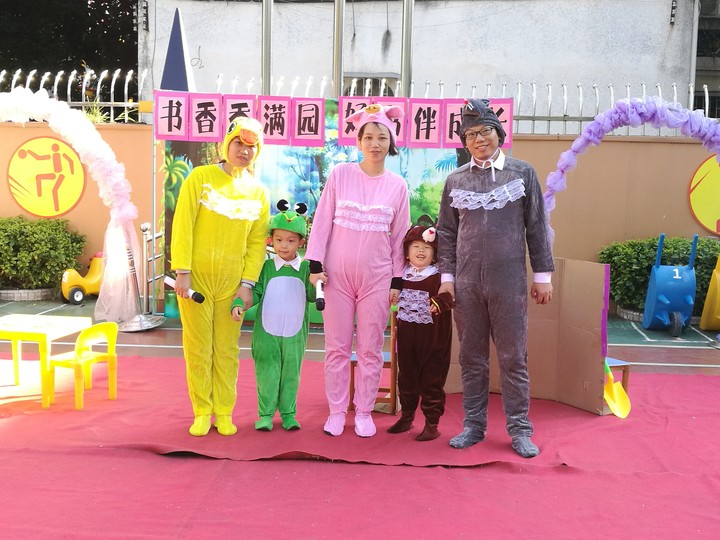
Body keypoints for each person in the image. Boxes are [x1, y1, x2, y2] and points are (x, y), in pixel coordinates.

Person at [436, 98, 554, 458]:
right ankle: (473, 426)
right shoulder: (456, 180)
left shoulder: (521, 174)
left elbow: (537, 226)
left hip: (509, 282)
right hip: (466, 284)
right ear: (464, 141)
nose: (479, 139)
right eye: (471, 134)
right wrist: (447, 278)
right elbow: (446, 233)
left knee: (513, 357)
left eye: (485, 131)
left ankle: (520, 430)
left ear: (499, 133)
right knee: (472, 358)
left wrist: (543, 275)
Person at [305, 103, 410, 438]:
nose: (375, 143)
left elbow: (400, 236)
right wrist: (316, 265)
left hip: (377, 279)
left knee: (370, 348)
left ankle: (364, 410)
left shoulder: (398, 185)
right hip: (336, 276)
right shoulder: (340, 175)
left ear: (391, 142)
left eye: (382, 137)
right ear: (359, 141)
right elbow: (322, 220)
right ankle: (337, 411)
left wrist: (397, 279)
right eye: (368, 137)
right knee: (336, 347)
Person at [171, 117, 270, 437]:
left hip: (232, 285)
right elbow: (183, 224)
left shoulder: (259, 193)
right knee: (198, 348)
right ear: (225, 144)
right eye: (238, 143)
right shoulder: (200, 178)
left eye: (252, 146)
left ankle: (224, 411)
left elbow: (256, 244)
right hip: (196, 279)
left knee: (227, 351)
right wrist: (183, 272)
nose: (244, 151)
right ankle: (202, 411)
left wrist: (246, 284)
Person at [234, 200, 315, 431]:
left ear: (301, 242)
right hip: (266, 336)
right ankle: (266, 414)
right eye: (279, 240)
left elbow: (311, 296)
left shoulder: (306, 268)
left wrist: (317, 281)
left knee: (291, 374)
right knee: (267, 373)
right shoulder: (266, 268)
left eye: (290, 240)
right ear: (271, 239)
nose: (284, 245)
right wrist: (239, 303)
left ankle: (289, 414)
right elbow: (254, 293)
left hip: (294, 336)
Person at [387, 224, 454, 441]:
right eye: (416, 246)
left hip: (433, 339)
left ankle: (432, 422)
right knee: (406, 376)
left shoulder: (439, 276)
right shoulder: (401, 276)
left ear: (435, 254)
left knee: (431, 378)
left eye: (427, 247)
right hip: (407, 336)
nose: (421, 251)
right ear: (407, 252)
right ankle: (407, 416)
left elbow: (451, 296)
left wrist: (440, 302)